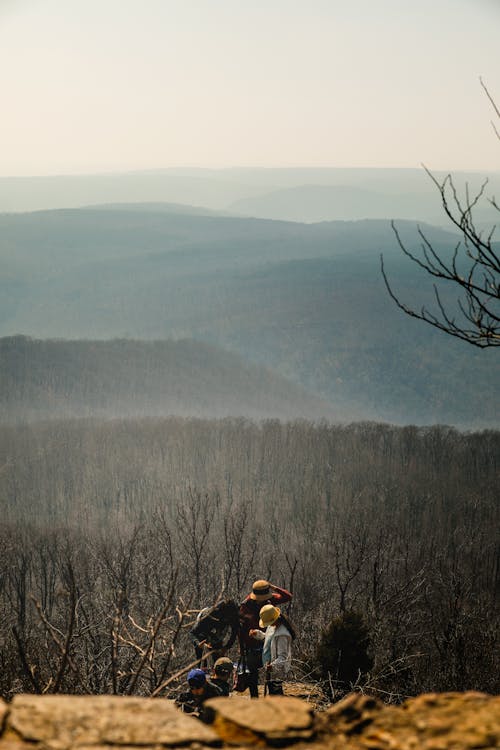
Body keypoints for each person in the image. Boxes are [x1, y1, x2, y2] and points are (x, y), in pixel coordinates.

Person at [239, 579, 292, 698]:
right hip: (254, 644)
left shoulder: (270, 600)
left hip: (269, 642)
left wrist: (273, 587)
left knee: (273, 678)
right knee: (253, 676)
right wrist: (244, 647)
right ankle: (255, 700)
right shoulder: (246, 606)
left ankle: (275, 701)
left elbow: (288, 596)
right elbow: (241, 630)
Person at [250, 604, 295, 695]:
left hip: (277, 671)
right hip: (270, 667)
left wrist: (273, 666)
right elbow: (268, 639)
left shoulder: (282, 634)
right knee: (272, 692)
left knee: (276, 694)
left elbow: (283, 657)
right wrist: (257, 634)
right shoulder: (272, 626)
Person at [190, 599, 239, 666]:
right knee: (202, 663)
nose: (228, 619)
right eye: (226, 618)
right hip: (202, 636)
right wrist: (198, 643)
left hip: (217, 638)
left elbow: (235, 631)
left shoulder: (233, 614)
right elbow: (193, 633)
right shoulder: (209, 615)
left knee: (219, 664)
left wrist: (227, 647)